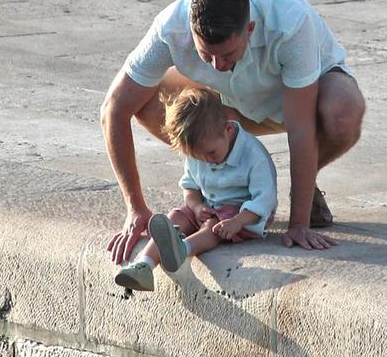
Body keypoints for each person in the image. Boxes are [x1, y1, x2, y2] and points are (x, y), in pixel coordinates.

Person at [102, 0, 365, 263]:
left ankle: (307, 185)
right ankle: (222, 188)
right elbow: (113, 109)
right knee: (147, 101)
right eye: (207, 55)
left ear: (250, 29)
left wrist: (299, 224)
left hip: (293, 99)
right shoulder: (171, 26)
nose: (218, 64)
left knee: (343, 113)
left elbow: (301, 128)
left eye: (227, 54)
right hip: (224, 107)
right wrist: (135, 207)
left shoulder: (289, 19)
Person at [115, 88, 277, 292]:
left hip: (242, 215)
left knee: (213, 226)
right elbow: (190, 187)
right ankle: (144, 264)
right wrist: (196, 205)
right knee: (174, 218)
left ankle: (182, 250)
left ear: (227, 129)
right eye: (199, 157)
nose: (207, 160)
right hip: (208, 206)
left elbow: (265, 200)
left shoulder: (253, 155)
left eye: (211, 153)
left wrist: (238, 221)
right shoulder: (199, 150)